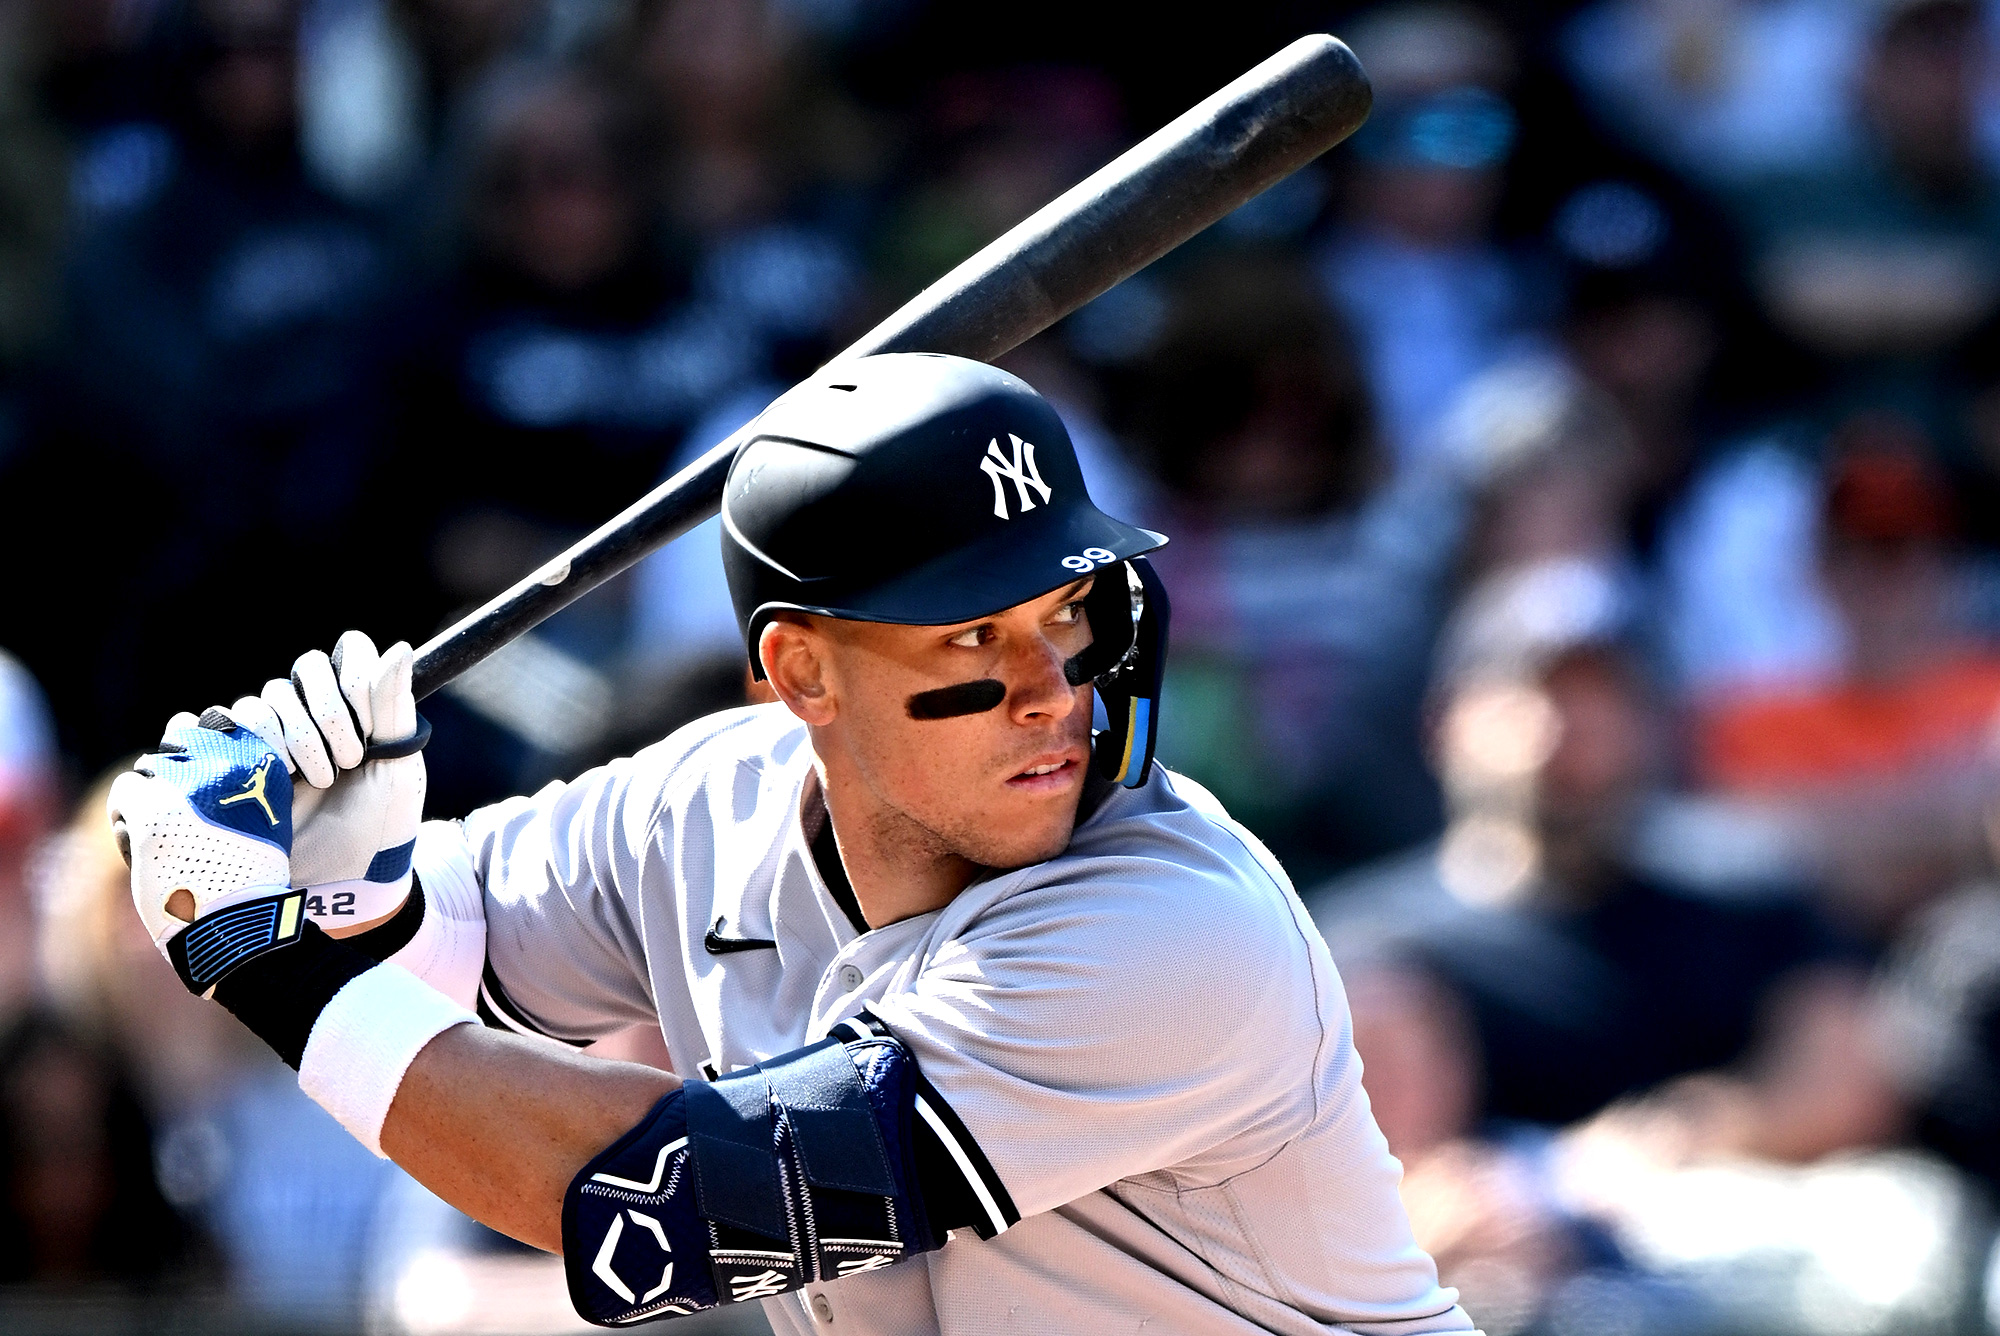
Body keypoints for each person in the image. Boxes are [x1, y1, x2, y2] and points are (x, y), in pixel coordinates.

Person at [104, 354, 1474, 1334]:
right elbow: (435, 971)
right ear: (802, 674)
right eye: (972, 636)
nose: (1051, 690)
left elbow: (663, 1209)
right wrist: (346, 879)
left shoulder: (1172, 927)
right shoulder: (705, 806)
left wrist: (260, 953)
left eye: (1066, 615)